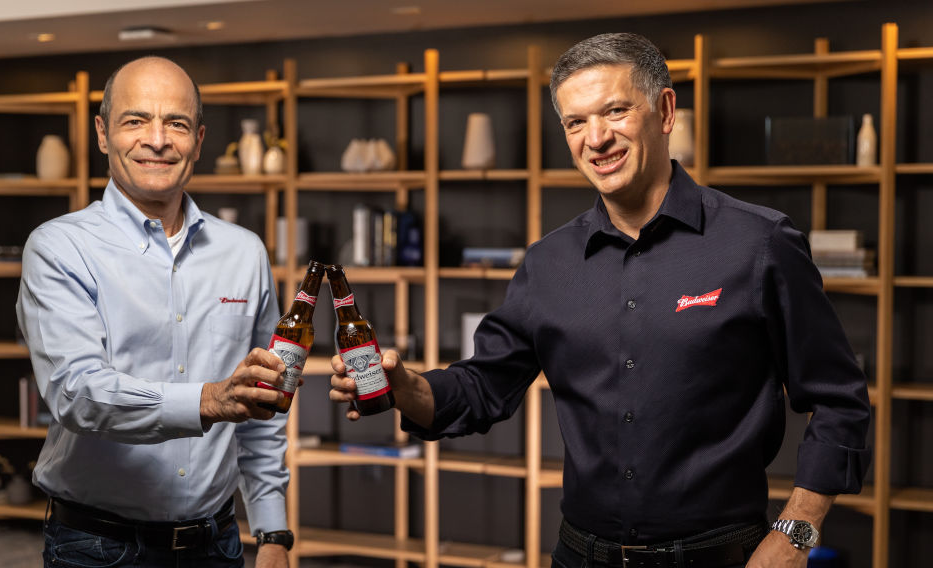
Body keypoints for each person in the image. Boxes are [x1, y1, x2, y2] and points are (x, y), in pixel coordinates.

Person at [329, 33, 871, 568]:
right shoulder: (548, 263)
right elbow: (482, 388)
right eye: (575, 122)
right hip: (579, 555)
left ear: (664, 111)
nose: (596, 139)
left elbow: (840, 399)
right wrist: (407, 388)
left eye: (614, 111)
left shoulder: (759, 244)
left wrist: (796, 532)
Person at [17, 56, 295, 568]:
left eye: (177, 123)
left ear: (199, 139)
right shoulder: (58, 248)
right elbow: (77, 392)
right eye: (136, 120)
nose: (158, 139)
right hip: (97, 548)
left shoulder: (245, 253)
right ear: (102, 133)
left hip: (218, 544)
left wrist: (273, 528)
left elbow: (262, 405)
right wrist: (209, 401)